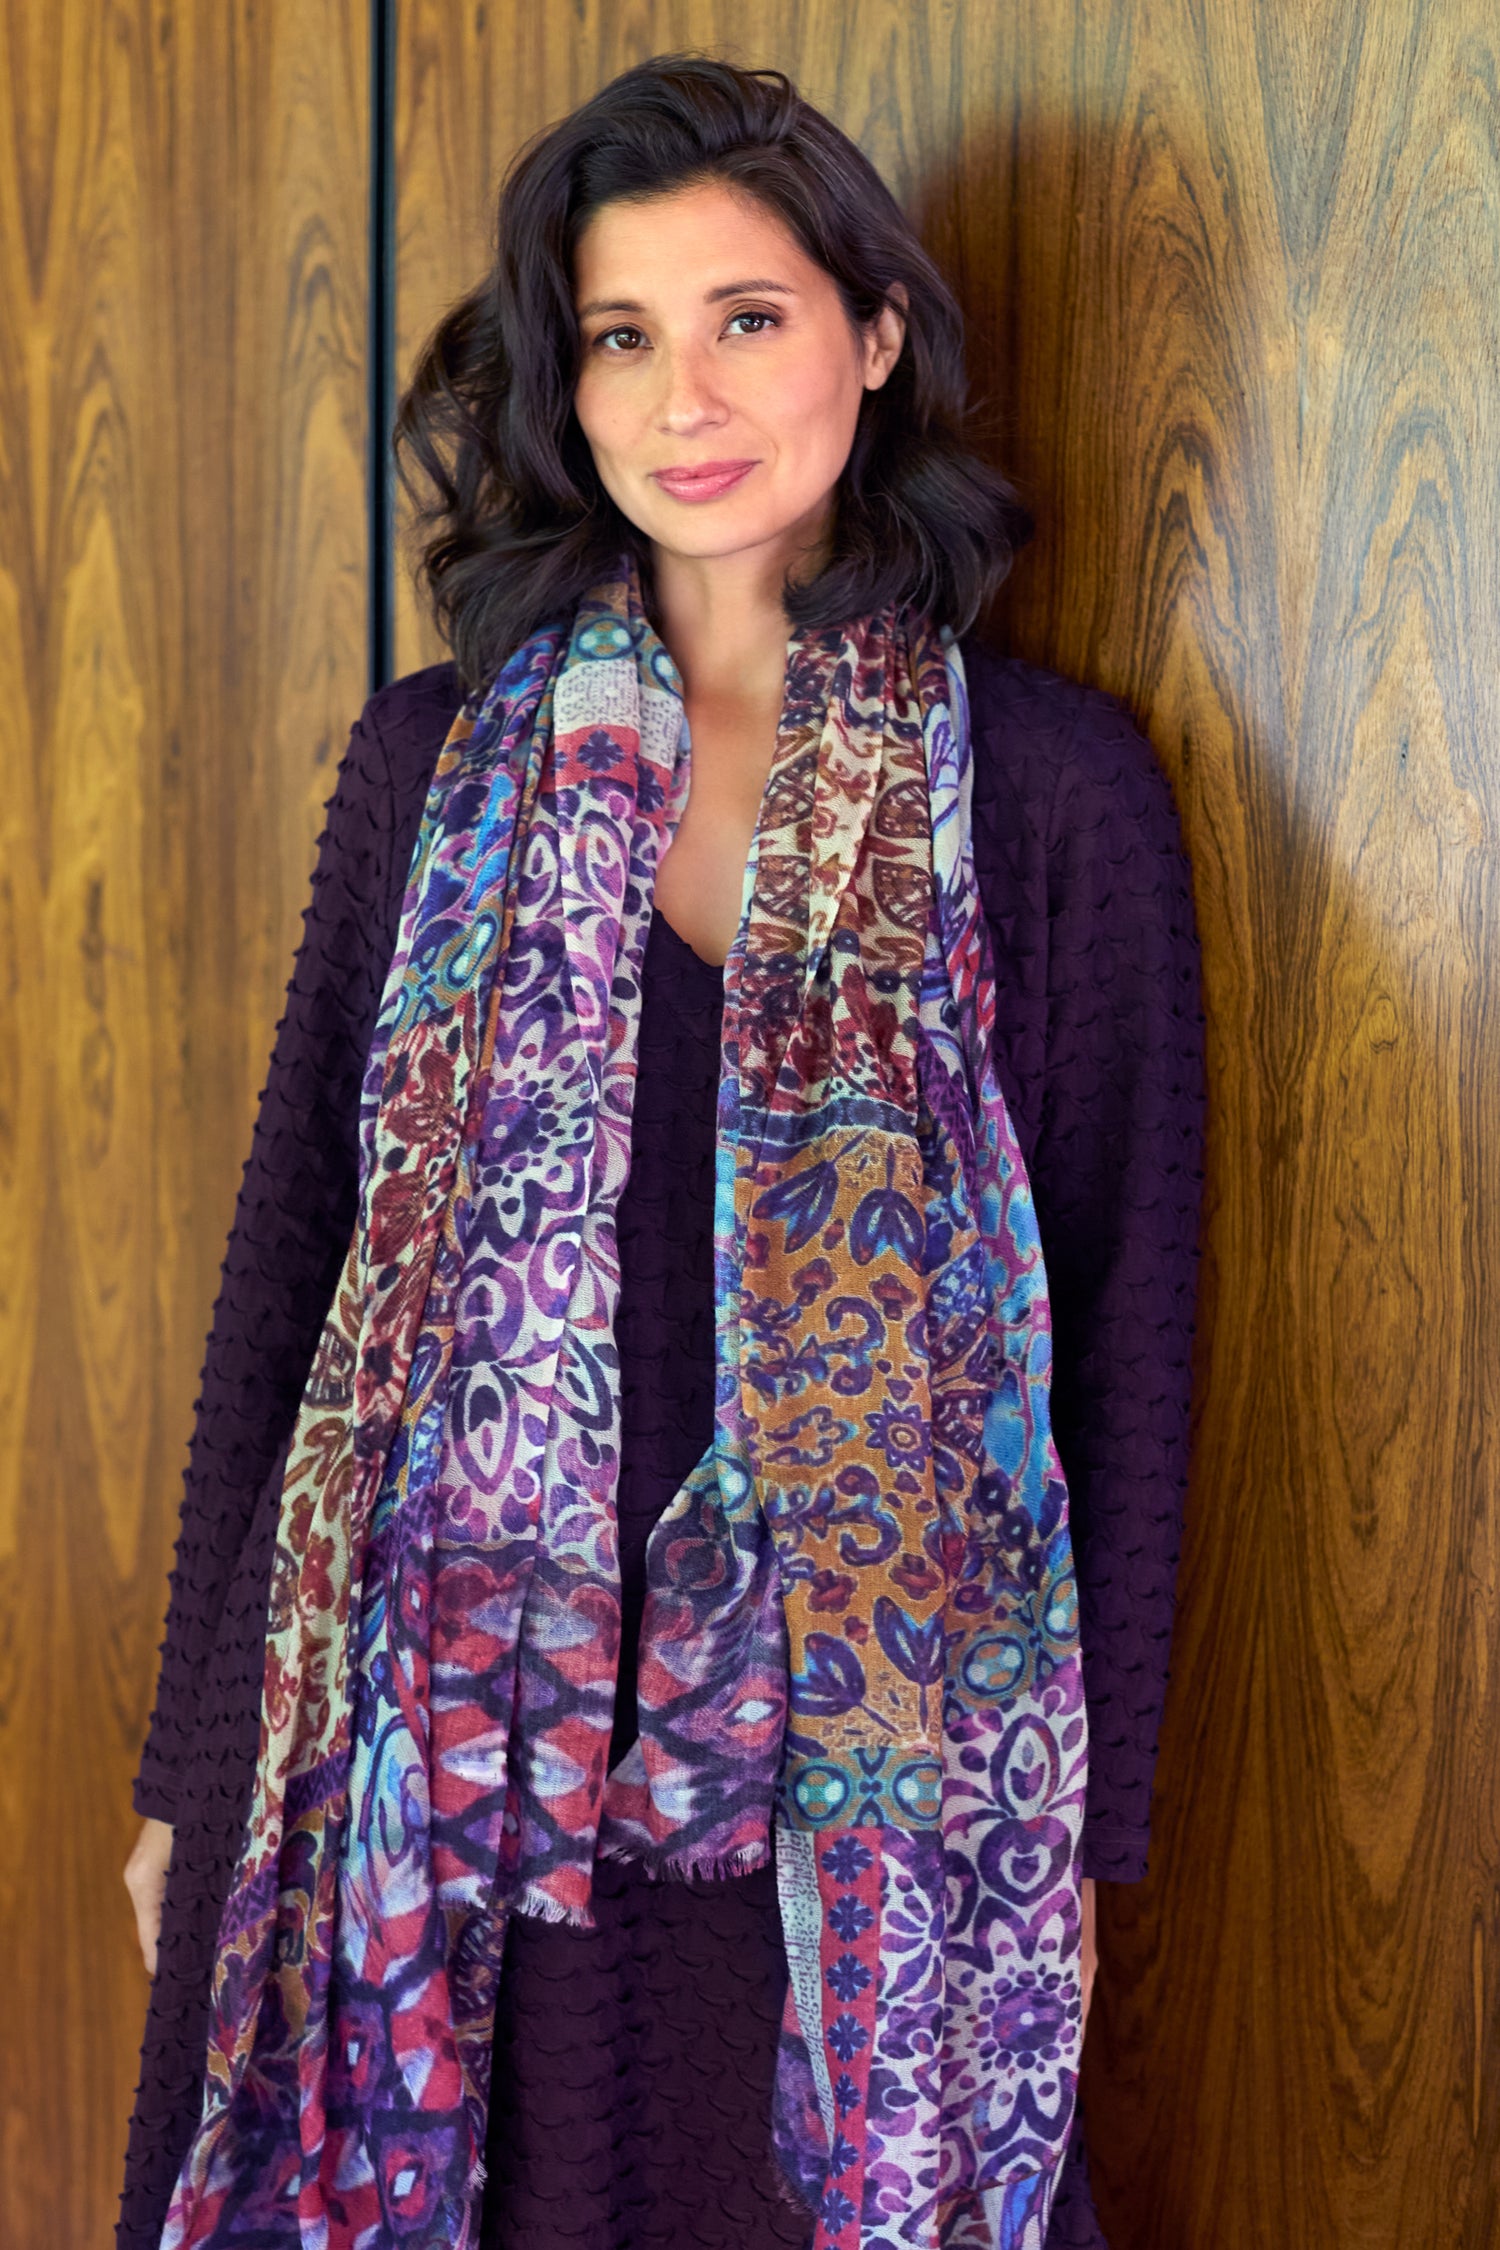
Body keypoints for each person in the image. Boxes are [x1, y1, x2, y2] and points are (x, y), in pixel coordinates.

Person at [120, 54, 1202, 2250]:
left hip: (863, 1790)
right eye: (623, 334)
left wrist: (1079, 1850)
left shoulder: (1052, 795)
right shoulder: (436, 766)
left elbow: (1130, 1343)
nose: (683, 395)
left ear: (875, 338)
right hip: (403, 1768)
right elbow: (296, 1268)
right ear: (564, 383)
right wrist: (182, 1773)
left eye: (749, 318)